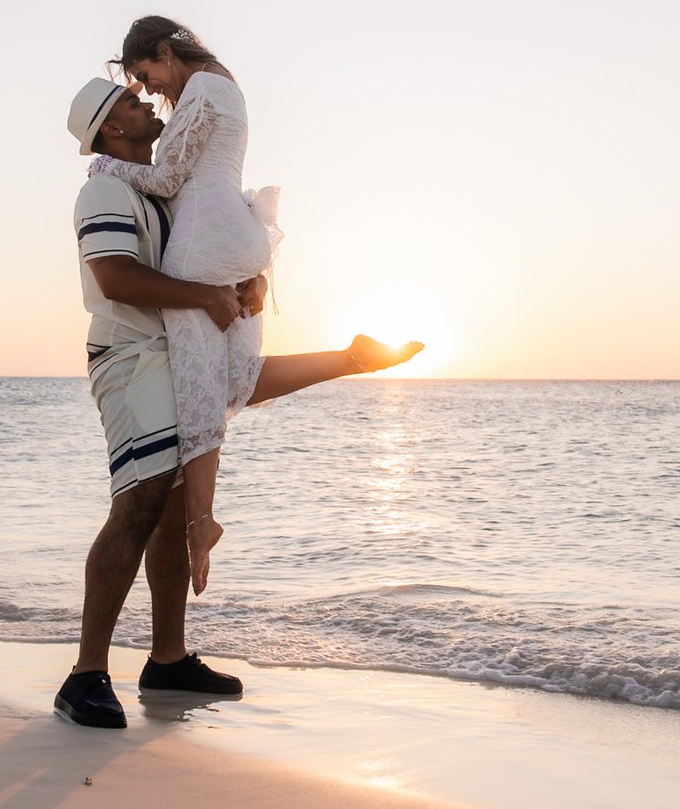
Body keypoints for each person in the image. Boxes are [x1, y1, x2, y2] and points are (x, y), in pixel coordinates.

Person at [57, 77, 421, 729]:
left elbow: (204, 264)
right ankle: (84, 676)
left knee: (171, 512)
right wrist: (204, 296)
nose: (148, 104)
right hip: (131, 358)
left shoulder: (163, 190)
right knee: (139, 504)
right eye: (132, 103)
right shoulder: (105, 191)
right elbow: (114, 276)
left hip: (173, 353)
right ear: (110, 128)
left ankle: (168, 660)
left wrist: (246, 277)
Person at [87, 17, 271, 596]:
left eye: (147, 74)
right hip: (237, 232)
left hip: (203, 244)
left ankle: (200, 521)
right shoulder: (225, 86)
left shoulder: (202, 89)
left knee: (197, 388)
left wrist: (105, 165)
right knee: (232, 378)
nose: (152, 90)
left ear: (166, 52)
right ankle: (351, 359)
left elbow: (167, 179)